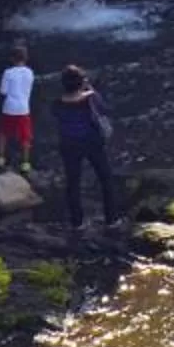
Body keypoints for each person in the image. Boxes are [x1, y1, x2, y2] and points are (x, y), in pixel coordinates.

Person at [53, 64, 118, 230]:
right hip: (92, 142)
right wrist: (91, 89)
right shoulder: (90, 97)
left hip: (68, 144)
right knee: (105, 179)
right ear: (81, 82)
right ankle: (111, 219)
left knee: (73, 183)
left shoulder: (58, 103)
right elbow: (105, 109)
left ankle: (77, 222)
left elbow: (57, 116)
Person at [0, 40, 36, 174]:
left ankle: (1, 157)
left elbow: (3, 91)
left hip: (9, 107)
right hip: (24, 108)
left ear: (12, 58)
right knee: (25, 136)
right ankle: (25, 163)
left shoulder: (8, 73)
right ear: (26, 58)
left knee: (3, 133)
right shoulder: (30, 73)